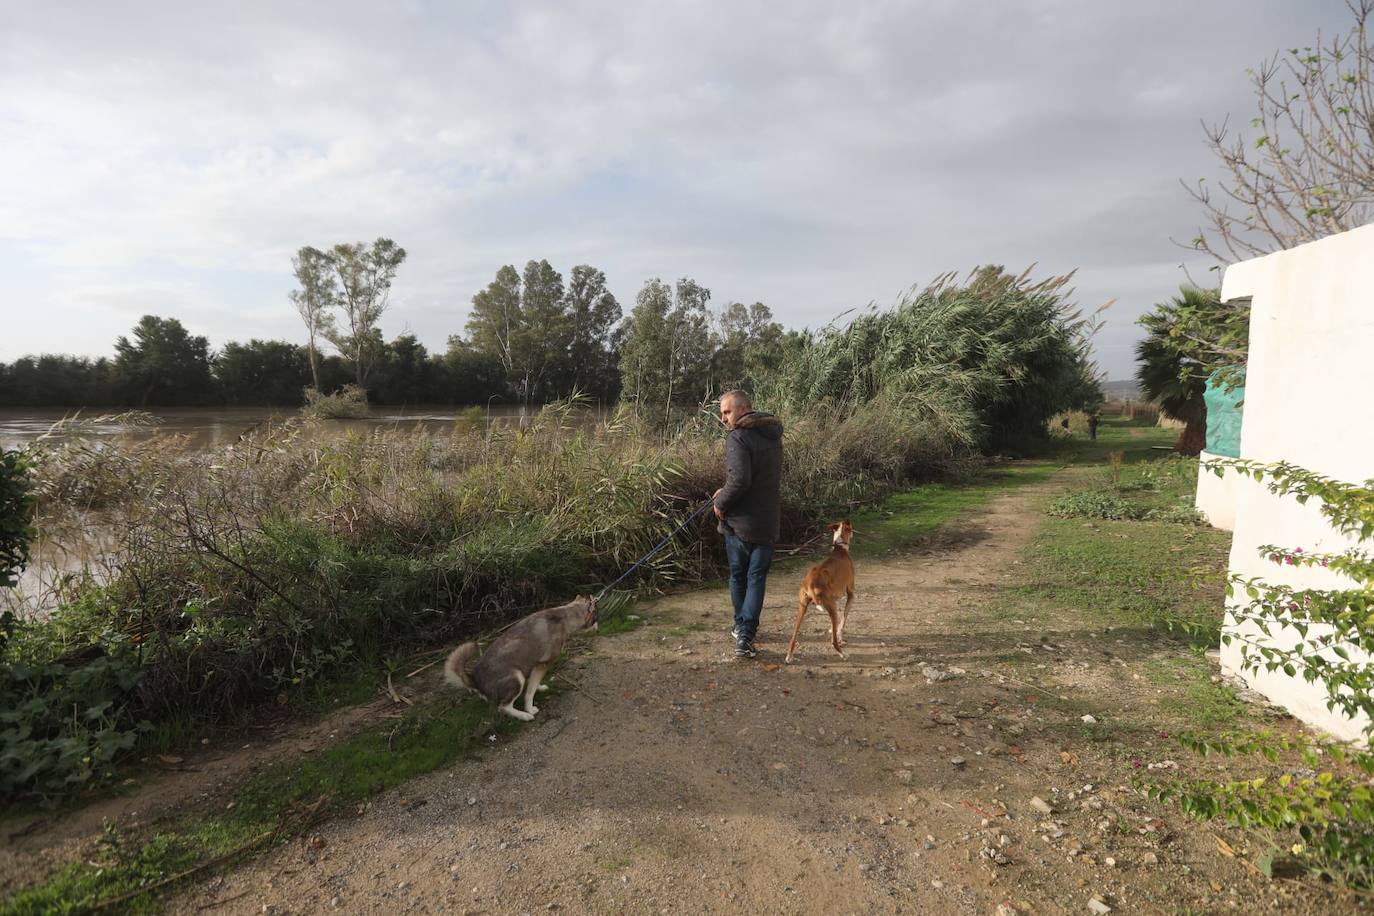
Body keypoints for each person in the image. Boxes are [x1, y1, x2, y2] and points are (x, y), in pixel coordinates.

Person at [712, 390, 784, 659]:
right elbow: (757, 478)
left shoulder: (739, 437)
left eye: (727, 412)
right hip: (767, 520)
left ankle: (742, 630)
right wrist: (727, 490)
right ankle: (746, 631)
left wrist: (720, 503)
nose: (723, 418)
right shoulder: (773, 434)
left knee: (739, 576)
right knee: (756, 578)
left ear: (743, 409)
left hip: (740, 523)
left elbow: (740, 480)